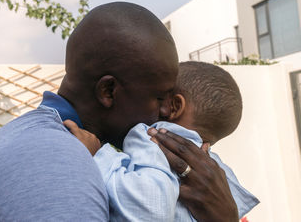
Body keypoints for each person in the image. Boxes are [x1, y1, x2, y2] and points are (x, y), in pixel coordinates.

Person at [0, 2, 239, 221]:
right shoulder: (57, 161)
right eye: (158, 97)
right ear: (109, 92)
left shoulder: (49, 143)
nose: (166, 111)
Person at [65, 61, 259, 221]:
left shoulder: (153, 137)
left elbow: (148, 210)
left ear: (174, 106)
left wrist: (99, 155)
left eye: (159, 97)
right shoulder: (220, 173)